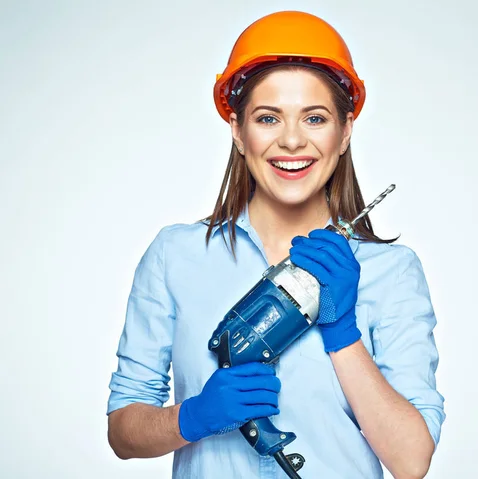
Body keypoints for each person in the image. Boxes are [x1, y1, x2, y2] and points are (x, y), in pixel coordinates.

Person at [106, 10, 445, 479]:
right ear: (238, 131)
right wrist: (192, 416)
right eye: (268, 118)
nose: (290, 140)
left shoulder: (392, 271)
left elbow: (411, 462)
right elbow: (123, 432)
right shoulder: (175, 255)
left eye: (315, 118)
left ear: (344, 132)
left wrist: (342, 331)